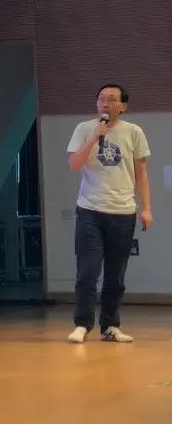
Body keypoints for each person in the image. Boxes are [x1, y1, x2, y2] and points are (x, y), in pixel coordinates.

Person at [65, 84, 152, 343]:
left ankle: (110, 326)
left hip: (123, 212)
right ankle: (82, 324)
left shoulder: (134, 132)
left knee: (116, 275)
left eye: (112, 99)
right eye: (101, 99)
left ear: (123, 106)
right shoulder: (84, 129)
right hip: (90, 211)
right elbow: (74, 165)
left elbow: (141, 173)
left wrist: (147, 208)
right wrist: (94, 137)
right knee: (87, 272)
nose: (105, 103)